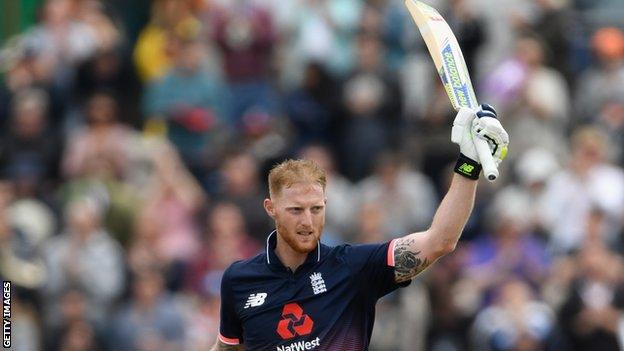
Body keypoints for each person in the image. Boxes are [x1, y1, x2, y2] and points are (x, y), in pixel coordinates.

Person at [211, 105, 509, 350]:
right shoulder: (239, 279)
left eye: (316, 209)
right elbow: (226, 348)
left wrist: (469, 164)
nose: (307, 221)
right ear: (271, 209)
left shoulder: (353, 268)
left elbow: (440, 241)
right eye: (295, 210)